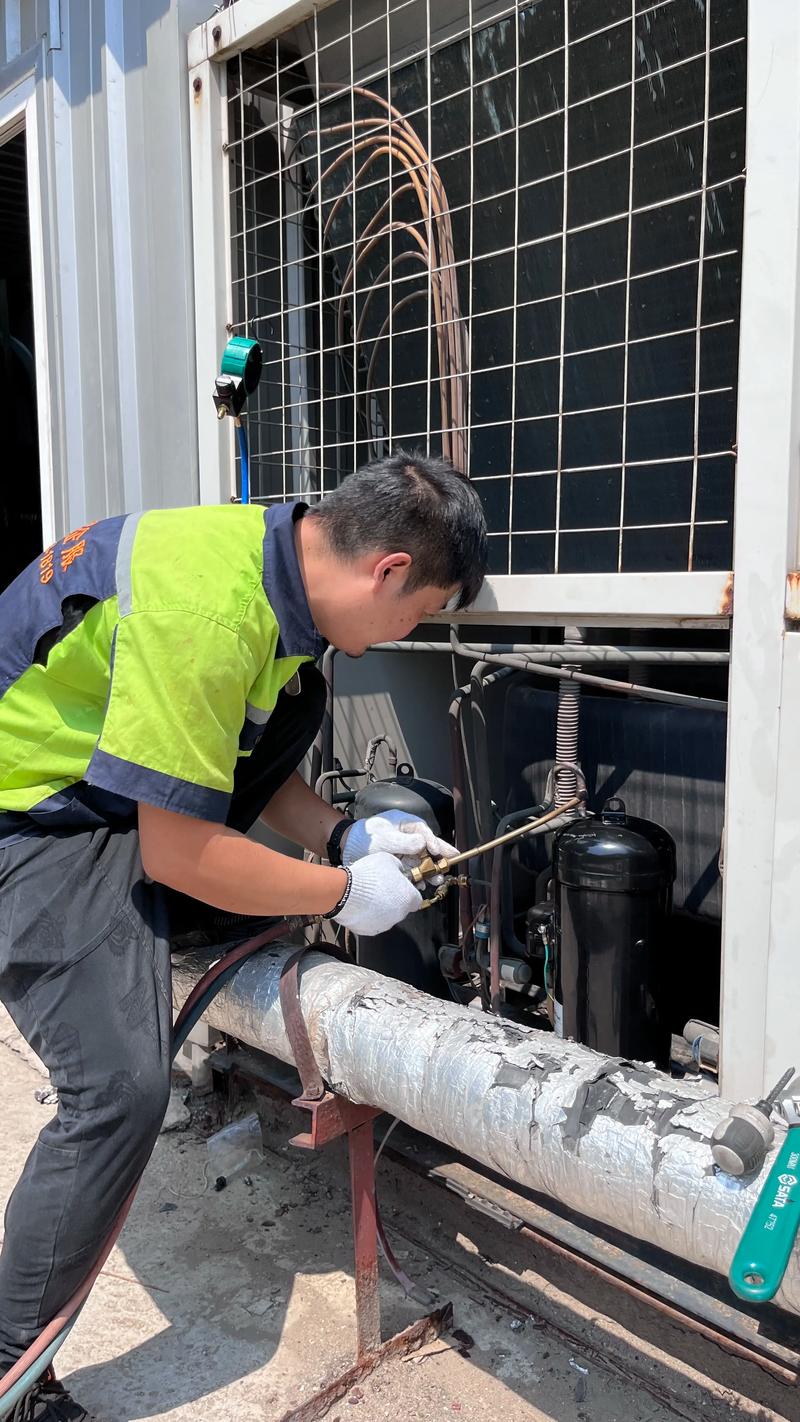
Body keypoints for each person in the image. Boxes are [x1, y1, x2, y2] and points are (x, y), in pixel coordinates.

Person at [0, 450, 488, 1420]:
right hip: (28, 821)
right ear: (386, 569)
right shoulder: (209, 613)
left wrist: (341, 835)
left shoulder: (275, 556)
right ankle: (13, 1360)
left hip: (100, 802)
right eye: (419, 611)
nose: (406, 632)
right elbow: (181, 848)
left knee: (300, 706)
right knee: (119, 1094)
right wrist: (343, 887)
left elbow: (222, 754)